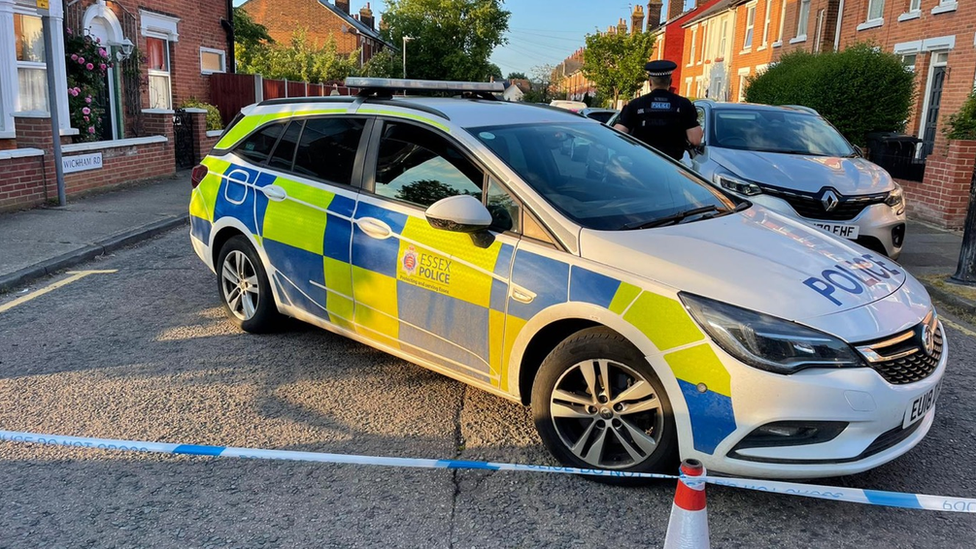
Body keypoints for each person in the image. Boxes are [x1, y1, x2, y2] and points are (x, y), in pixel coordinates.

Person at [614, 60, 703, 161]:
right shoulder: (683, 104)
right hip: (672, 164)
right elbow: (695, 140)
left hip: (641, 164)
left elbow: (618, 133)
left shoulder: (636, 104)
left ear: (650, 82)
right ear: (670, 81)